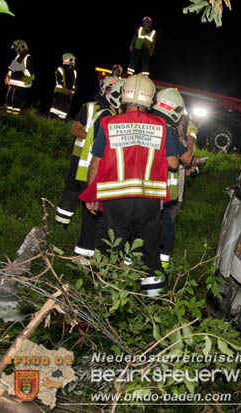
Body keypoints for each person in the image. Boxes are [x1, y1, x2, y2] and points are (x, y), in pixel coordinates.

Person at [80, 74, 179, 297]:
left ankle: (103, 302)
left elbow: (95, 163)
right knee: (149, 253)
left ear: (124, 96)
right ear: (151, 100)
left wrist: (91, 195)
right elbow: (173, 163)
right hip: (149, 202)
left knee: (108, 249)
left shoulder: (109, 123)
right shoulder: (161, 126)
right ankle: (153, 305)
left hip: (116, 200)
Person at [55, 76, 119, 227]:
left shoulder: (114, 113)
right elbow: (75, 130)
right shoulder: (90, 108)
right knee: (72, 189)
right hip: (80, 157)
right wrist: (95, 138)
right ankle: (61, 224)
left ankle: (86, 228)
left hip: (96, 159)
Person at [73, 79, 124, 258]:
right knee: (91, 223)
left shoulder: (104, 112)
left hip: (90, 173)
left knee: (91, 222)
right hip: (92, 175)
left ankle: (85, 260)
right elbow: (100, 154)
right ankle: (83, 261)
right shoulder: (106, 117)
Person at [150, 88, 195, 268]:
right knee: (166, 234)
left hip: (136, 188)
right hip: (155, 192)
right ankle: (159, 274)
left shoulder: (145, 122)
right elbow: (181, 161)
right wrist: (191, 138)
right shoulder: (166, 130)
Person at [4, 39, 34, 115]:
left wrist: (20, 67)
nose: (16, 50)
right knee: (9, 100)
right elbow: (12, 68)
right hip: (13, 83)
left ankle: (15, 117)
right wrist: (8, 76)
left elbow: (29, 73)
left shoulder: (28, 58)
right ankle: (8, 115)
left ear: (21, 48)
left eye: (17, 48)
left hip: (22, 84)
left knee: (16, 102)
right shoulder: (18, 57)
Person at [49, 53, 77, 120]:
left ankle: (60, 123)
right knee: (56, 108)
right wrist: (66, 89)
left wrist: (72, 91)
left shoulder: (74, 72)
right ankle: (51, 121)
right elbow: (59, 80)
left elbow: (74, 83)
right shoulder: (60, 69)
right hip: (60, 92)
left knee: (64, 111)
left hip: (69, 95)